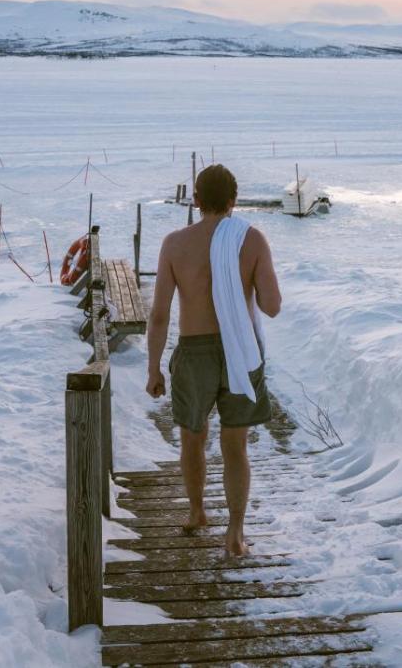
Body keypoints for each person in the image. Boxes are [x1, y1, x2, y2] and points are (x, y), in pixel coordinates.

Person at [146, 164, 281, 557]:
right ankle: (235, 533)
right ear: (233, 200)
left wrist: (154, 368)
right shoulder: (251, 239)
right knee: (235, 446)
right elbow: (272, 306)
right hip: (240, 349)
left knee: (193, 437)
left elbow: (159, 314)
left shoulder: (175, 244)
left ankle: (196, 512)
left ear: (196, 200)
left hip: (194, 353)